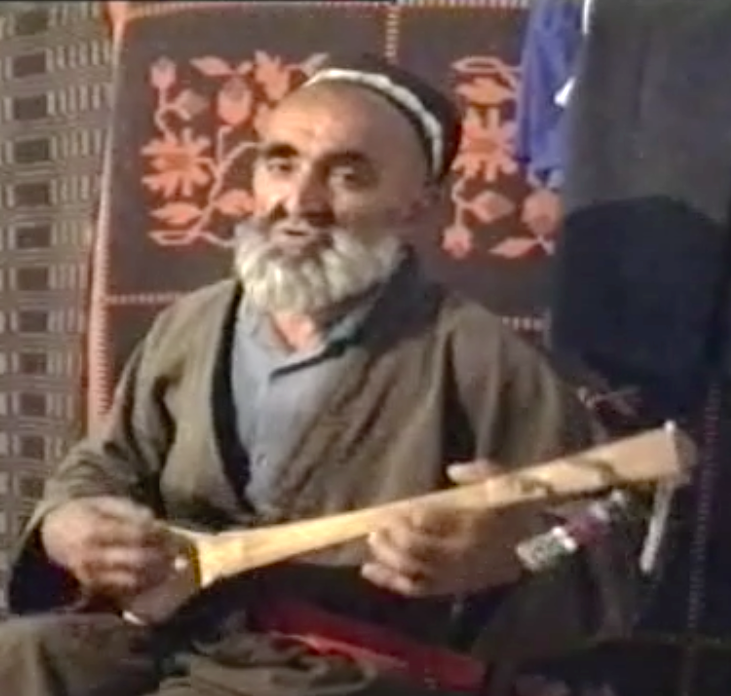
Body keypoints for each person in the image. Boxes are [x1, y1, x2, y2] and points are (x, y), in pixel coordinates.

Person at [0, 55, 640, 696]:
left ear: (418, 208)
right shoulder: (189, 327)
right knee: (23, 656)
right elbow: (106, 465)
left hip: (347, 672)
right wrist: (69, 526)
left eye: (348, 176)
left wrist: (510, 554)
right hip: (183, 634)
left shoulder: (481, 359)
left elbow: (604, 534)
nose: (298, 202)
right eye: (281, 165)